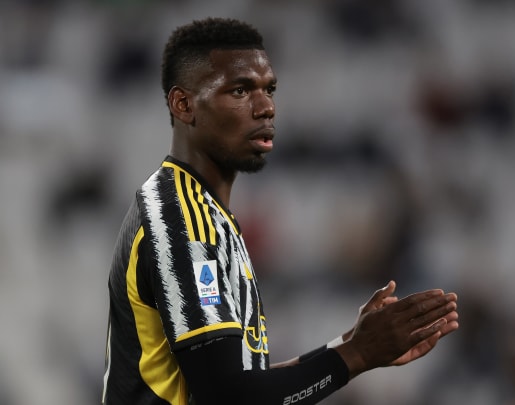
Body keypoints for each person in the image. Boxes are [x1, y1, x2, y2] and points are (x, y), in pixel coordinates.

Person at [102, 17, 459, 405]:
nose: (264, 108)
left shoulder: (202, 213)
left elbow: (242, 385)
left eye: (268, 90)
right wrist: (356, 355)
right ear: (184, 105)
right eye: (239, 91)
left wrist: (350, 345)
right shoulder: (181, 223)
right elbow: (231, 399)